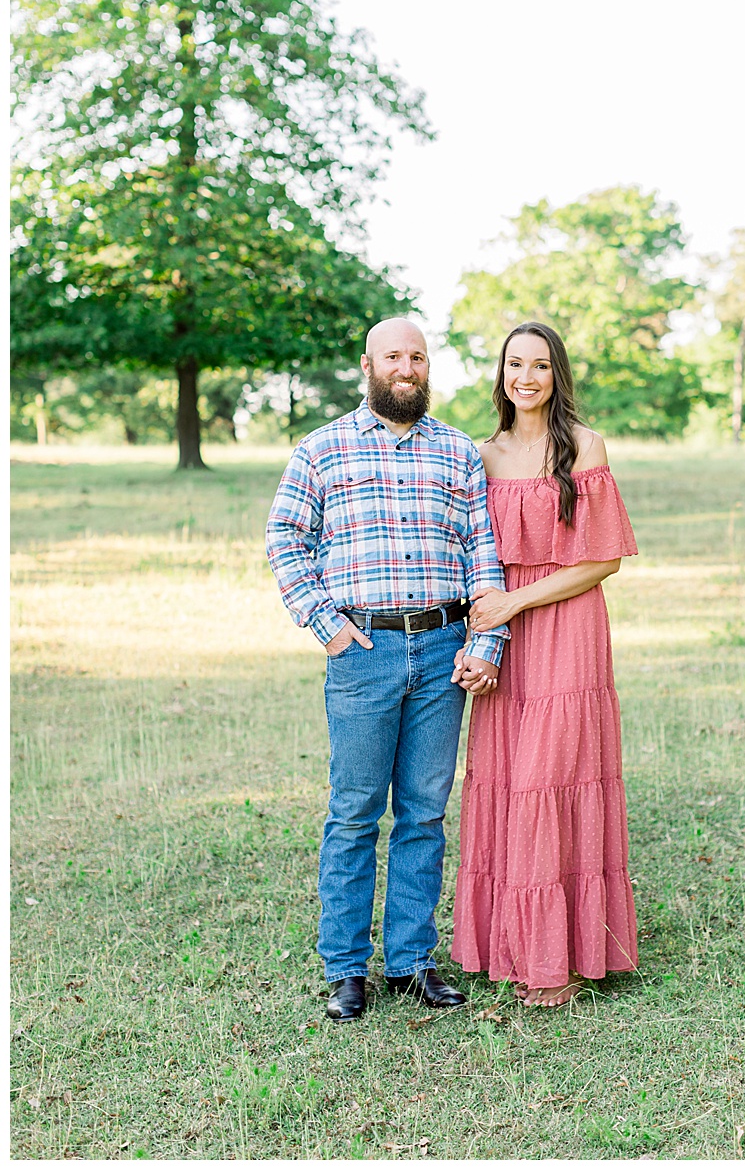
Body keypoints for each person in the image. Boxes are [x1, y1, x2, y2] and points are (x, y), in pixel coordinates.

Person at [266, 317, 505, 1023]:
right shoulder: (323, 449)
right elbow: (284, 536)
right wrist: (326, 624)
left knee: (425, 813)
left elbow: (482, 555)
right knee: (354, 813)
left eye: (419, 357)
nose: (408, 368)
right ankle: (346, 968)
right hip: (363, 653)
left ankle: (410, 962)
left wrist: (486, 643)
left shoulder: (458, 453)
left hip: (442, 652)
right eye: (395, 356)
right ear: (368, 364)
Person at [449, 320, 639, 1007]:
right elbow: (471, 555)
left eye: (539, 366)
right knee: (505, 776)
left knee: (553, 780)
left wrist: (515, 602)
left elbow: (603, 559)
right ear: (500, 374)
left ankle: (563, 958)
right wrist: (484, 628)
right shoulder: (480, 454)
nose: (525, 378)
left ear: (557, 374)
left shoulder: (583, 446)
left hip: (566, 624)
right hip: (505, 637)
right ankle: (507, 943)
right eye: (514, 365)